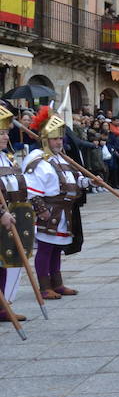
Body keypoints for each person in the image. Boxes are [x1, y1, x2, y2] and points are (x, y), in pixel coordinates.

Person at [24, 108, 89, 301]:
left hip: (65, 212)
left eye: (60, 138)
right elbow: (31, 189)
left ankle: (57, 284)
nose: (59, 142)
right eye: (54, 139)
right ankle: (44, 287)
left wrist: (90, 182)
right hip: (49, 210)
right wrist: (42, 211)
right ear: (45, 139)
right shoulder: (37, 160)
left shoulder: (61, 158)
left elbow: (74, 180)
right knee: (45, 248)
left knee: (56, 248)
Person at [0, 107, 35, 322]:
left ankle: (2, 307)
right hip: (2, 216)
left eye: (5, 132)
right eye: (1, 133)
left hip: (9, 217)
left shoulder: (6, 158)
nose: (6, 136)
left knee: (2, 262)